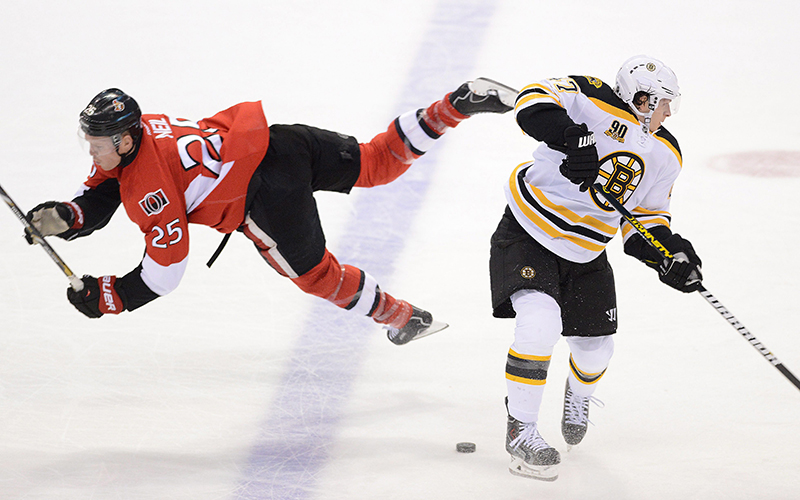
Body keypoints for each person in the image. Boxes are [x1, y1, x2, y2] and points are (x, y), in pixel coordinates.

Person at [26, 78, 516, 345]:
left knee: (315, 276)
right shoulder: (145, 131)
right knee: (377, 161)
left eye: (95, 143)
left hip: (263, 198)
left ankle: (401, 316)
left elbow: (166, 273)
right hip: (282, 142)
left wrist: (110, 296)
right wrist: (71, 215)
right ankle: (456, 103)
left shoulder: (151, 193)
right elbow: (110, 185)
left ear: (125, 138)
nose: (90, 151)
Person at [489, 55, 703, 480]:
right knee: (539, 323)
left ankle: (579, 392)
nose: (667, 112)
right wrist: (572, 138)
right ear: (642, 98)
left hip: (587, 252)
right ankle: (521, 429)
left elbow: (646, 220)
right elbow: (530, 101)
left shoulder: (666, 153)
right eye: (663, 103)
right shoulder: (592, 96)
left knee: (595, 351)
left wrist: (669, 255)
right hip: (528, 232)